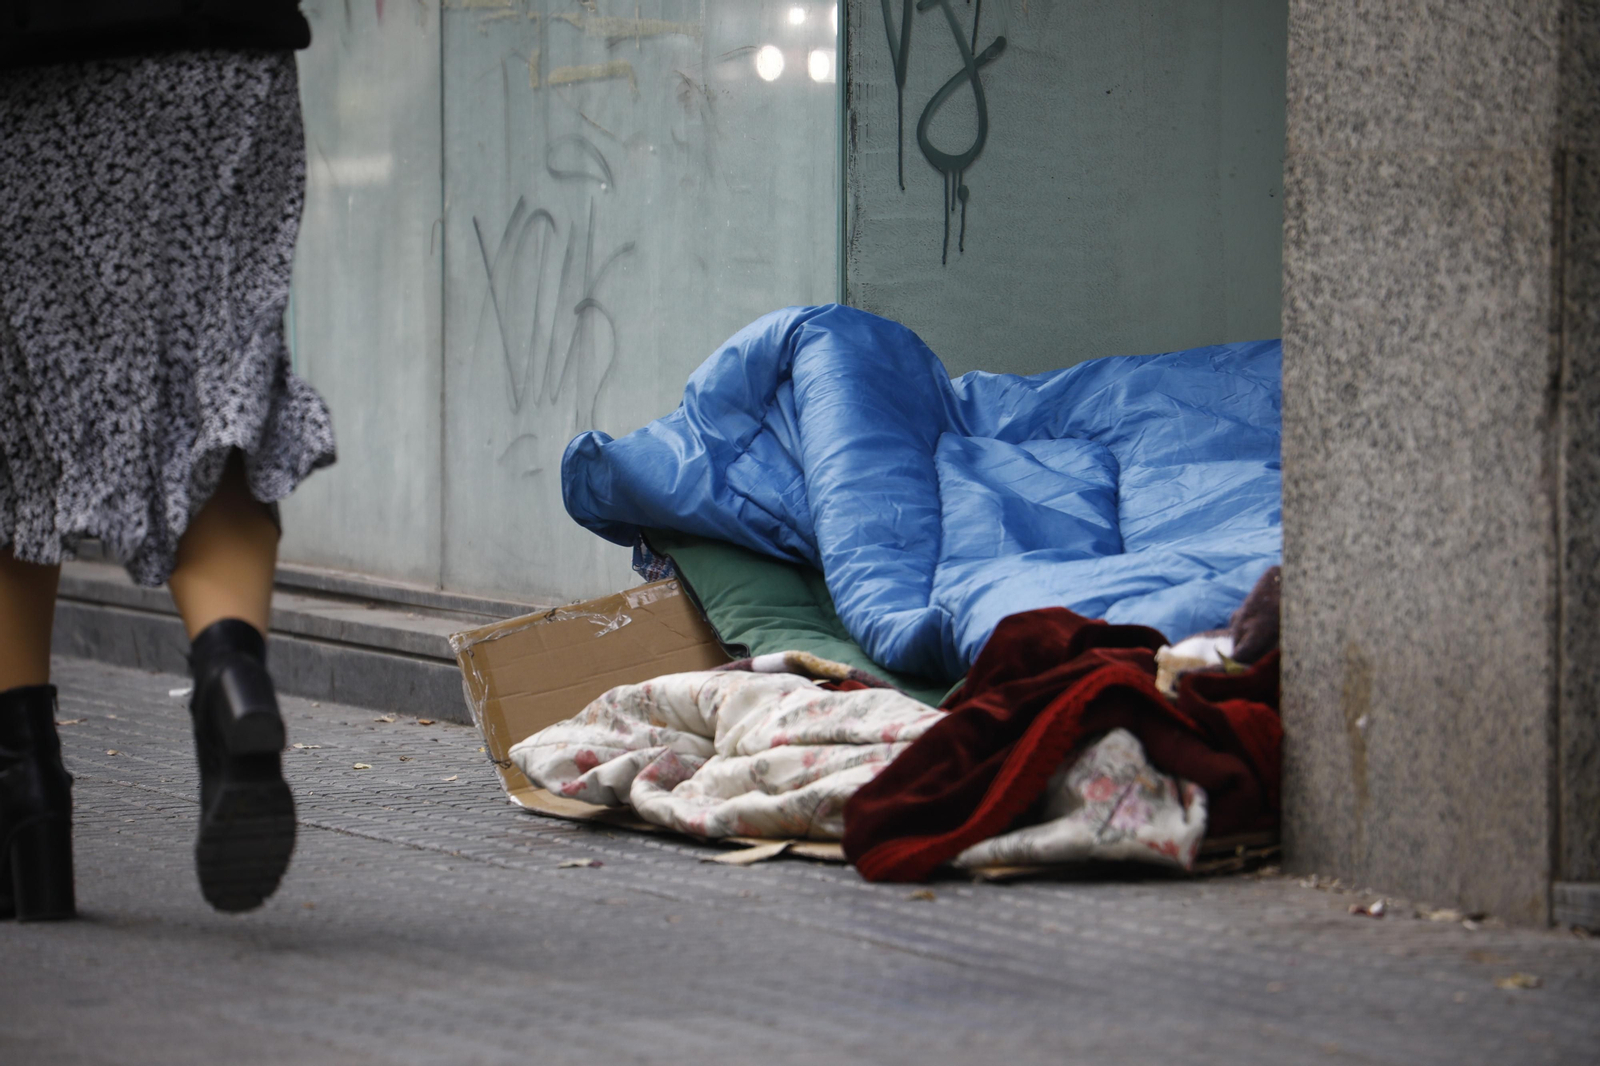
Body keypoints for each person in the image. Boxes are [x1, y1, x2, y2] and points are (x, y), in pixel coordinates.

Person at [0, 3, 334, 918]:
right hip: (222, 49)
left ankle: (20, 804)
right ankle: (231, 670)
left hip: (28, 75)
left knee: (12, 416)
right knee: (215, 379)